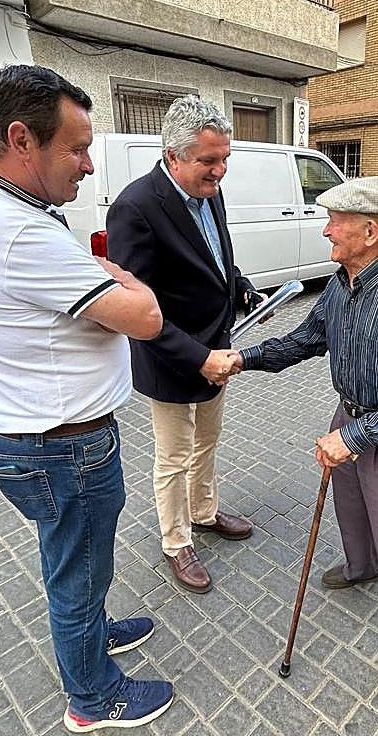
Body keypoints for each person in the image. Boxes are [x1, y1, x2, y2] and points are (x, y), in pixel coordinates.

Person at [0, 65, 174, 733]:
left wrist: (101, 280)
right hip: (63, 448)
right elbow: (146, 318)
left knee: (74, 559)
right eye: (77, 148)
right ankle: (93, 698)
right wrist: (125, 278)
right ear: (21, 140)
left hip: (36, 436)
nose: (89, 166)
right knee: (77, 573)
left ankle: (92, 632)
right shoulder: (19, 233)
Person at [229, 176, 378, 667]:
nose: (325, 230)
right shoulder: (341, 283)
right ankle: (362, 566)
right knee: (349, 504)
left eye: (334, 222)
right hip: (349, 414)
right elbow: (306, 339)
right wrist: (244, 358)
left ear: (369, 232)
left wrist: (352, 438)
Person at [106, 95, 262, 594]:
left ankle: (204, 511)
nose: (220, 171)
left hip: (217, 345)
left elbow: (215, 256)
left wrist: (239, 285)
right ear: (173, 155)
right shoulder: (135, 208)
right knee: (174, 456)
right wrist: (198, 358)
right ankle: (176, 542)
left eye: (225, 159)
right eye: (208, 161)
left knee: (208, 440)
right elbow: (135, 307)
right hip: (172, 356)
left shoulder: (209, 191)